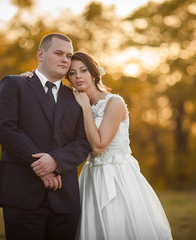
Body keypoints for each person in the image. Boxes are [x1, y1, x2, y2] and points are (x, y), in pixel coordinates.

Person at [23, 52, 173, 239]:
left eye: (83, 70)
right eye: (72, 73)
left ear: (94, 73)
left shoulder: (114, 102)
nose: (78, 76)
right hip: (91, 175)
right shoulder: (72, 102)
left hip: (118, 176)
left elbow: (99, 146)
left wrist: (86, 107)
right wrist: (29, 79)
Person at [0, 33, 90, 240]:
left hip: (65, 198)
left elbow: (82, 143)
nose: (65, 59)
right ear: (41, 54)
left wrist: (55, 162)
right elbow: (6, 129)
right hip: (21, 194)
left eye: (69, 55)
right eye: (59, 53)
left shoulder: (76, 98)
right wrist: (42, 166)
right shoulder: (14, 84)